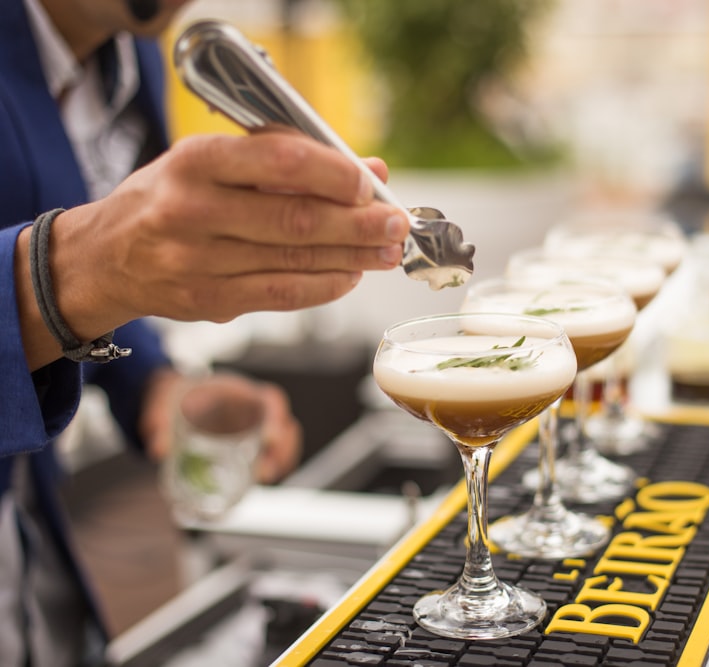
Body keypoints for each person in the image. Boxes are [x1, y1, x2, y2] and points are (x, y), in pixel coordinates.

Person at [0, 0, 410, 664]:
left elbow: (96, 299)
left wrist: (156, 387)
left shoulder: (132, 53)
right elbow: (82, 262)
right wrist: (76, 270)